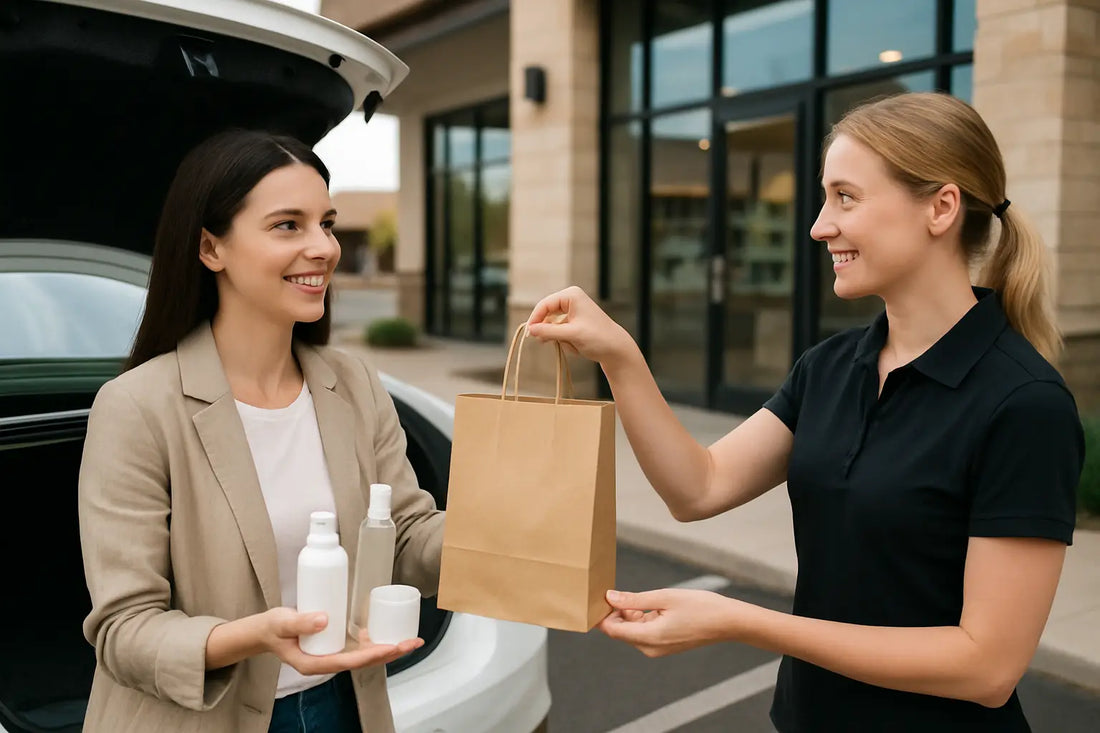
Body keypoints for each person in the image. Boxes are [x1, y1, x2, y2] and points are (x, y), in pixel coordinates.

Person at [525, 92, 1084, 732]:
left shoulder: (1024, 405)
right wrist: (622, 357)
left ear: (941, 207)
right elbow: (698, 487)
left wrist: (742, 620)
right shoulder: (829, 367)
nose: (820, 225)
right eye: (826, 198)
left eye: (846, 197)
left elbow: (985, 669)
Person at [77, 130, 445, 733]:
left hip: (343, 707)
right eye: (287, 225)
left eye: (327, 223)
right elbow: (124, 630)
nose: (324, 247)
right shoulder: (136, 407)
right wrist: (250, 636)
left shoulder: (353, 383)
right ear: (210, 248)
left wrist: (505, 535)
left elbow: (403, 536)